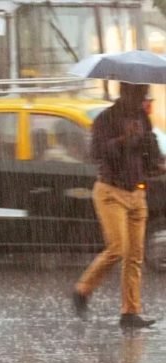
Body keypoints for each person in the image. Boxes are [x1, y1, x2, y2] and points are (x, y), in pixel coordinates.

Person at [72, 82, 162, 329]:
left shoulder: (143, 118)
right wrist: (123, 140)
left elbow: (149, 158)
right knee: (118, 248)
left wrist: (149, 146)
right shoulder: (105, 119)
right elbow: (97, 154)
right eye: (139, 92)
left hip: (137, 193)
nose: (143, 98)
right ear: (125, 92)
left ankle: (130, 312)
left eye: (144, 93)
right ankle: (82, 291)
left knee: (134, 255)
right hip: (110, 191)